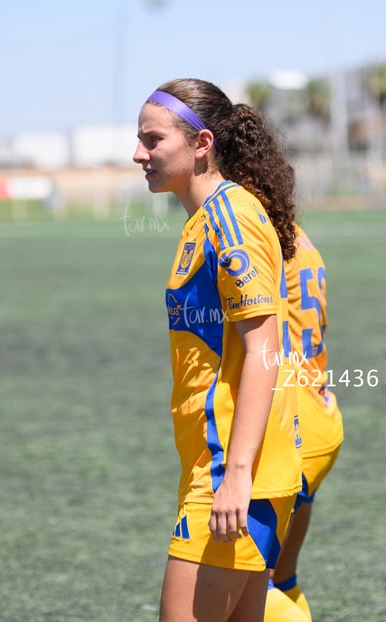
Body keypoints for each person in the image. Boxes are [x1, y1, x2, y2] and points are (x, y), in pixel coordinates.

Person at [133, 78, 303, 622]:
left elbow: (264, 350)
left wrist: (236, 473)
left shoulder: (231, 220)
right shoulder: (201, 222)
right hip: (222, 471)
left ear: (202, 143)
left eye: (153, 139)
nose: (139, 153)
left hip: (231, 478)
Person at [264, 215, 344, 622]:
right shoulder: (299, 235)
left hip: (292, 424)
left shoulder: (262, 236)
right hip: (321, 418)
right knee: (281, 577)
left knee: (249, 584)